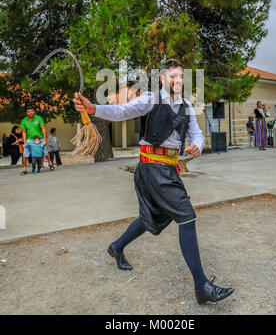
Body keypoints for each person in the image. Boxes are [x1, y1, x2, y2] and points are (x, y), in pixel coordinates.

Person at [73, 58, 235, 305]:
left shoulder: (186, 106)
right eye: (172, 75)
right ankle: (201, 286)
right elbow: (122, 111)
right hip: (152, 168)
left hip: (168, 169)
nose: (177, 80)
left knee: (154, 217)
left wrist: (198, 146)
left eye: (181, 75)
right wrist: (94, 109)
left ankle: (116, 247)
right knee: (187, 217)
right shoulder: (150, 99)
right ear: (162, 78)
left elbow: (197, 134)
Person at [20, 105, 55, 175]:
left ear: (34, 111)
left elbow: (43, 129)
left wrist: (45, 140)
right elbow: (24, 132)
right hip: (29, 140)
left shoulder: (39, 118)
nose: (30, 113)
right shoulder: (24, 121)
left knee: (45, 151)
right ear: (26, 113)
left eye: (31, 111)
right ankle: (25, 169)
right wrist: (24, 142)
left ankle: (50, 163)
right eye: (28, 112)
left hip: (40, 138)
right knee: (25, 154)